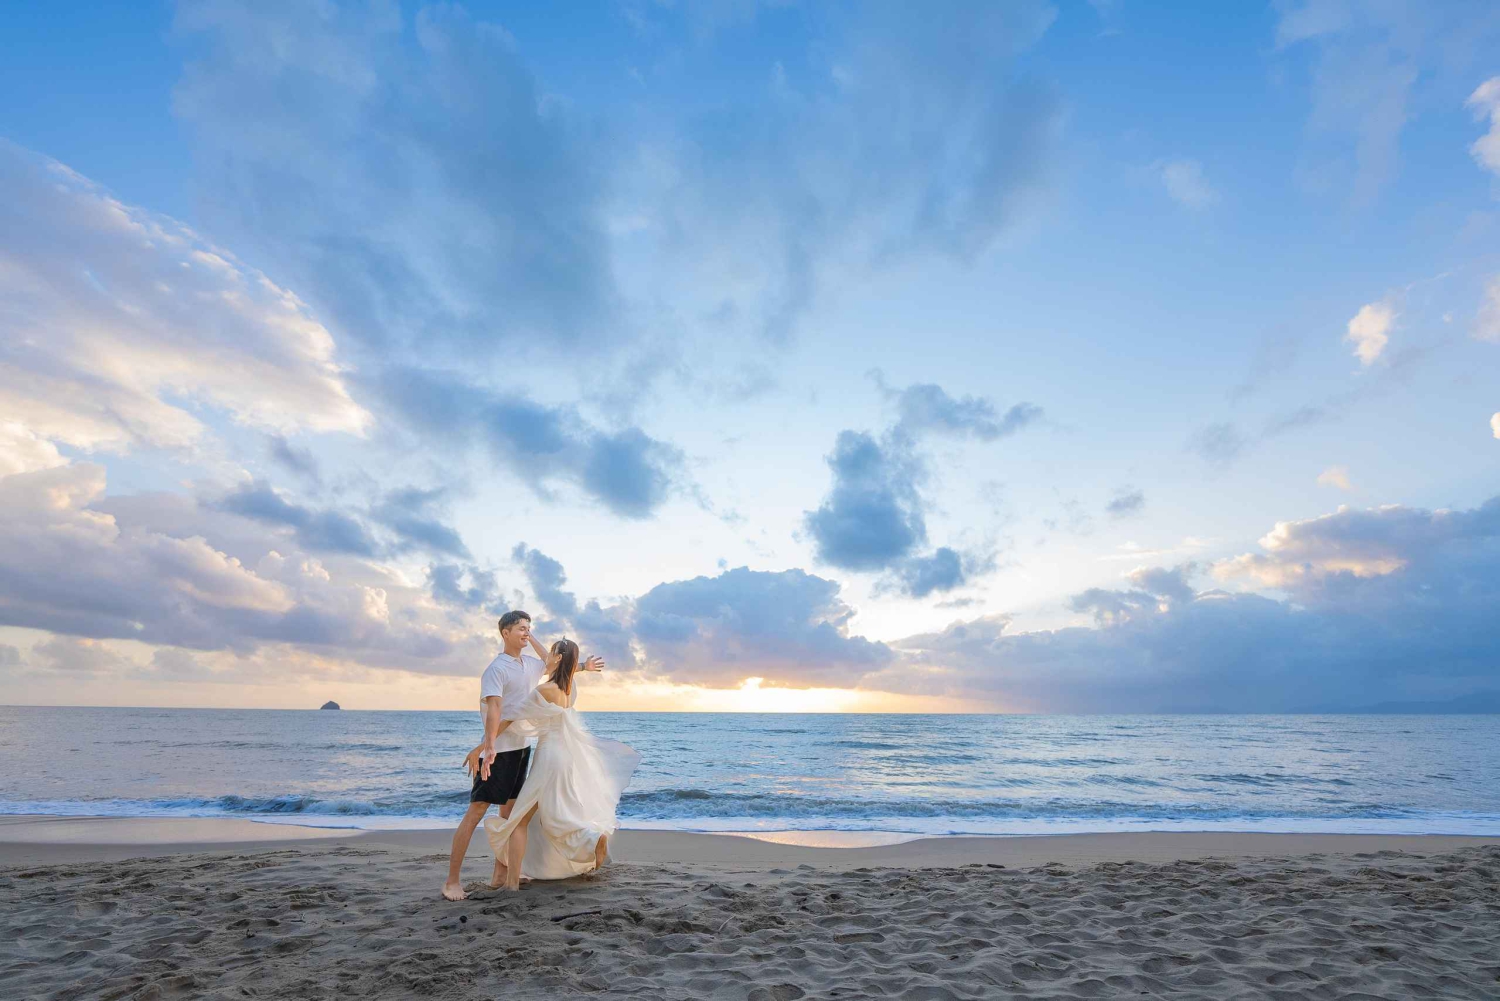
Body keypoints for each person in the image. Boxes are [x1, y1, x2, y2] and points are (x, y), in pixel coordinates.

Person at [441, 610, 602, 902]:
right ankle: (452, 881)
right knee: (476, 812)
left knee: (510, 815)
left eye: (529, 628)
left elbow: (556, 665)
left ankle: (501, 875)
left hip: (522, 749)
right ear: (505, 633)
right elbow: (497, 710)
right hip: (498, 751)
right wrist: (485, 746)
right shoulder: (496, 669)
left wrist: (581, 666)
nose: (526, 633)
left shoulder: (530, 665)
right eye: (521, 629)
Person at [483, 638, 640, 890]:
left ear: (557, 658)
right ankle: (588, 840)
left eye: (552, 652)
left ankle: (512, 882)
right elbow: (553, 660)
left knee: (520, 819)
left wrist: (483, 746)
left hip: (549, 756)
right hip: (565, 756)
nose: (547, 655)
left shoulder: (545, 690)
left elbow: (511, 718)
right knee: (553, 812)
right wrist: (533, 638)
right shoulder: (568, 686)